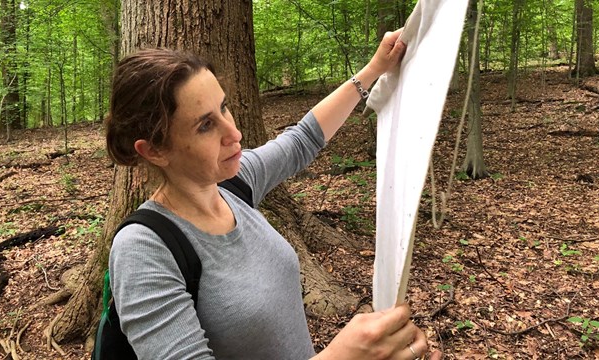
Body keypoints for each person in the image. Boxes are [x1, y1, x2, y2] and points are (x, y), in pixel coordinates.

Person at [105, 29, 441, 360]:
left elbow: (302, 140)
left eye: (224, 108)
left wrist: (374, 69)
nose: (233, 132)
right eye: (205, 125)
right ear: (154, 151)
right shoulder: (143, 251)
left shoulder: (233, 184)